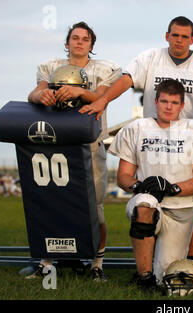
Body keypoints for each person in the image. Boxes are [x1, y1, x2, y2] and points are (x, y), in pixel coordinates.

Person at [82, 16, 193, 263]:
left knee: (191, 208)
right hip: (153, 142)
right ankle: (146, 266)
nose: (179, 40)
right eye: (175, 35)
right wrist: (103, 100)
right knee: (148, 201)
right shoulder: (150, 57)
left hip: (190, 144)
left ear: (192, 39)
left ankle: (191, 263)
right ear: (167, 35)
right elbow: (126, 80)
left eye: (184, 36)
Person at [26, 21, 122, 281]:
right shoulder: (49, 66)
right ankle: (46, 262)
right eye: (75, 38)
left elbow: (102, 98)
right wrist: (40, 97)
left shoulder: (105, 68)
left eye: (85, 39)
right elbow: (35, 93)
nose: (80, 42)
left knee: (96, 207)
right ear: (67, 43)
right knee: (52, 201)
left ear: (91, 45)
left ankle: (97, 264)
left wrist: (79, 91)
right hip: (56, 142)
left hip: (90, 142)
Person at [108, 79, 193, 291]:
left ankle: (154, 275)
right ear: (155, 101)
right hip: (148, 200)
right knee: (144, 205)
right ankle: (143, 278)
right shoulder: (137, 128)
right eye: (164, 101)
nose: (168, 107)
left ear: (182, 105)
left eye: (174, 103)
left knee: (166, 278)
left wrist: (172, 188)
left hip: (180, 210)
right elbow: (124, 176)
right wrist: (141, 187)